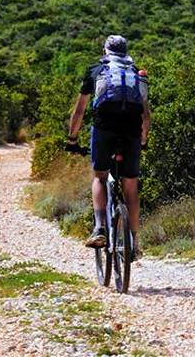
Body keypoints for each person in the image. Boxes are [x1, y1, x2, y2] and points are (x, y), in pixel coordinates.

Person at [66, 35, 150, 259]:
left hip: (104, 128)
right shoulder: (136, 73)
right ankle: (133, 242)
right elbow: (146, 115)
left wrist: (72, 139)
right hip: (131, 130)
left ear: (105, 51)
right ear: (125, 51)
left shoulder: (96, 70)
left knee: (100, 177)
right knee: (131, 184)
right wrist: (143, 140)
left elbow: (79, 111)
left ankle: (99, 228)